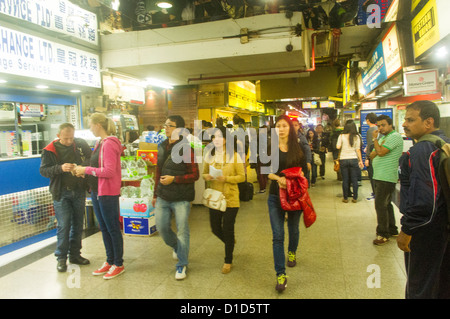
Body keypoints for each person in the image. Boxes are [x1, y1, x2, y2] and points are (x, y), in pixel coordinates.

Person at [397, 100, 450, 299]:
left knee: (419, 287)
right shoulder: (443, 143)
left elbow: (424, 201)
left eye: (410, 120)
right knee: (440, 283)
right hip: (443, 225)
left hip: (425, 231)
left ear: (428, 122)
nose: (404, 124)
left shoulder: (421, 151)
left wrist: (408, 229)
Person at [74, 113, 124, 279]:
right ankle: (110, 260)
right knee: (104, 228)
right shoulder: (99, 143)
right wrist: (84, 173)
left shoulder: (109, 144)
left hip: (108, 193)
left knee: (112, 228)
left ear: (98, 125)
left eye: (90, 124)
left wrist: (86, 170)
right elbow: (97, 168)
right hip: (97, 191)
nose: (89, 128)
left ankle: (118, 263)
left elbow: (109, 171)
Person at [151, 115, 199, 280]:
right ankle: (178, 248)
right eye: (165, 125)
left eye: (170, 126)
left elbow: (195, 174)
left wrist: (174, 179)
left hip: (181, 197)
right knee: (162, 227)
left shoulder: (186, 149)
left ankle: (182, 264)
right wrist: (155, 194)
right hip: (163, 195)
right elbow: (158, 171)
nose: (166, 128)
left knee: (182, 230)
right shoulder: (162, 146)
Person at [40, 123, 92, 272]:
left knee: (77, 225)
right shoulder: (49, 150)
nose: (70, 141)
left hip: (79, 191)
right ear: (58, 136)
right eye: (66, 138)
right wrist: (60, 168)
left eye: (71, 138)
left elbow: (91, 159)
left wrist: (83, 168)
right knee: (64, 226)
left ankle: (75, 255)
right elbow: (43, 170)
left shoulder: (80, 144)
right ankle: (61, 258)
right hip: (61, 193)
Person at [267, 115, 307, 292]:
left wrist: (291, 180)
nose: (281, 129)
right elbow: (266, 172)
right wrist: (279, 179)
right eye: (278, 126)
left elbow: (303, 172)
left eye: (284, 125)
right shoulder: (269, 148)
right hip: (275, 196)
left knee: (293, 229)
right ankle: (280, 274)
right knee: (277, 235)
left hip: (294, 196)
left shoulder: (297, 148)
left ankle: (292, 251)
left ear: (290, 128)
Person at [202, 126, 245, 274]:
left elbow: (242, 177)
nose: (216, 140)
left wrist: (226, 178)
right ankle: (230, 242)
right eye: (214, 137)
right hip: (214, 198)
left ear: (226, 139)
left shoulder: (235, 156)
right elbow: (204, 173)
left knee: (228, 228)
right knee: (215, 228)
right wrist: (206, 176)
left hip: (230, 197)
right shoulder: (209, 155)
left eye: (220, 137)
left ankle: (228, 260)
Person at [369, 115, 403, 245]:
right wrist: (377, 142)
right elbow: (372, 154)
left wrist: (375, 140)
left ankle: (383, 234)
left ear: (390, 125)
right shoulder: (383, 138)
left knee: (380, 205)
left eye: (383, 125)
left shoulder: (394, 136)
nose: (380, 128)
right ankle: (392, 229)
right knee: (386, 204)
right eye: (378, 126)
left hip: (386, 176)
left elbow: (381, 152)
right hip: (380, 175)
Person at [336, 122, 363, 203]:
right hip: (354, 159)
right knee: (354, 179)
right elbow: (358, 150)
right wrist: (360, 160)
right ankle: (355, 198)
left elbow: (338, 147)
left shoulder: (341, 136)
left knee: (345, 179)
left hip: (343, 159)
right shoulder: (357, 137)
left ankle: (345, 198)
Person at [364, 113, 378, 200]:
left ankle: (375, 194)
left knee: (372, 175)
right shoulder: (377, 129)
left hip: (372, 156)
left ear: (368, 120)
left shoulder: (370, 130)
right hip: (377, 155)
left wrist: (367, 158)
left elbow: (370, 145)